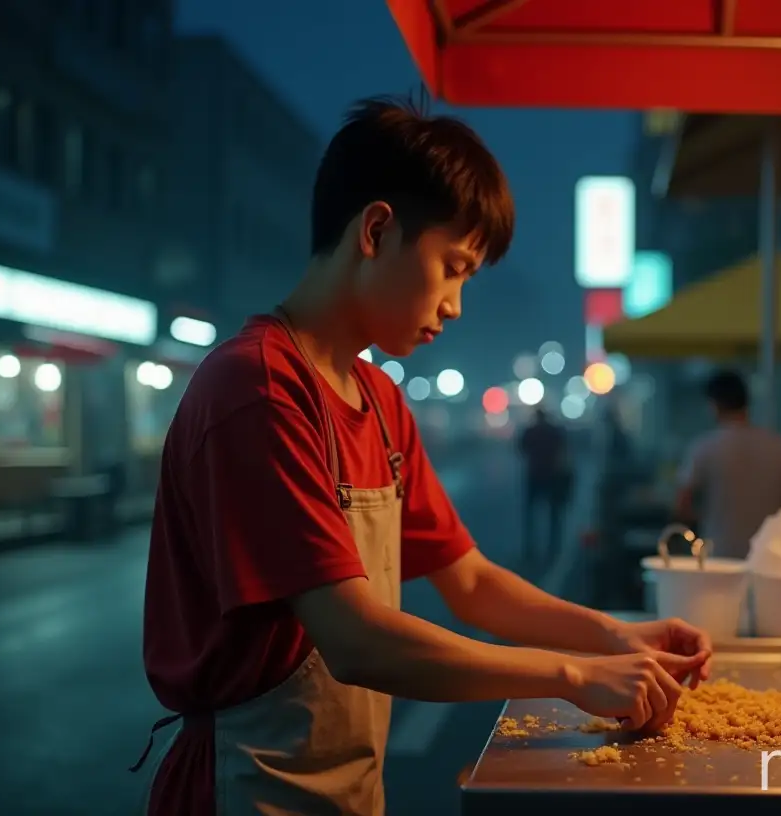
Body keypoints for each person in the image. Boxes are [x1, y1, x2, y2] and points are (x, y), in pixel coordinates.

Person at [132, 98, 711, 816]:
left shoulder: (377, 397)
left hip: (348, 787)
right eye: (453, 266)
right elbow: (355, 642)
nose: (458, 303)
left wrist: (616, 635)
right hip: (248, 788)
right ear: (376, 230)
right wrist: (571, 673)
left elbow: (469, 581)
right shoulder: (258, 389)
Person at [675, 370, 781, 560]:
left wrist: (709, 520)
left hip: (720, 553)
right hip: (771, 556)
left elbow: (682, 506)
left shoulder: (705, 448)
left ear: (714, 405)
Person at [517, 406, 569, 562]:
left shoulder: (531, 431)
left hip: (534, 475)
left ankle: (530, 548)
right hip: (552, 475)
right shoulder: (554, 432)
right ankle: (554, 548)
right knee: (554, 514)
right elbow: (563, 450)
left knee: (531, 514)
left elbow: (521, 448)